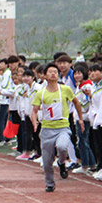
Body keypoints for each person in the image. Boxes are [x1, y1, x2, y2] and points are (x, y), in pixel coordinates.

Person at [30, 63, 84, 192]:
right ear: (45, 76)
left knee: (62, 146)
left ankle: (61, 162)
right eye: (50, 72)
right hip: (47, 129)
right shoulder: (41, 93)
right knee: (47, 161)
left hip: (62, 127)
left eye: (55, 71)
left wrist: (80, 119)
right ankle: (50, 183)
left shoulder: (65, 90)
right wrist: (34, 122)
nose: (53, 74)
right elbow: (34, 110)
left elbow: (76, 103)